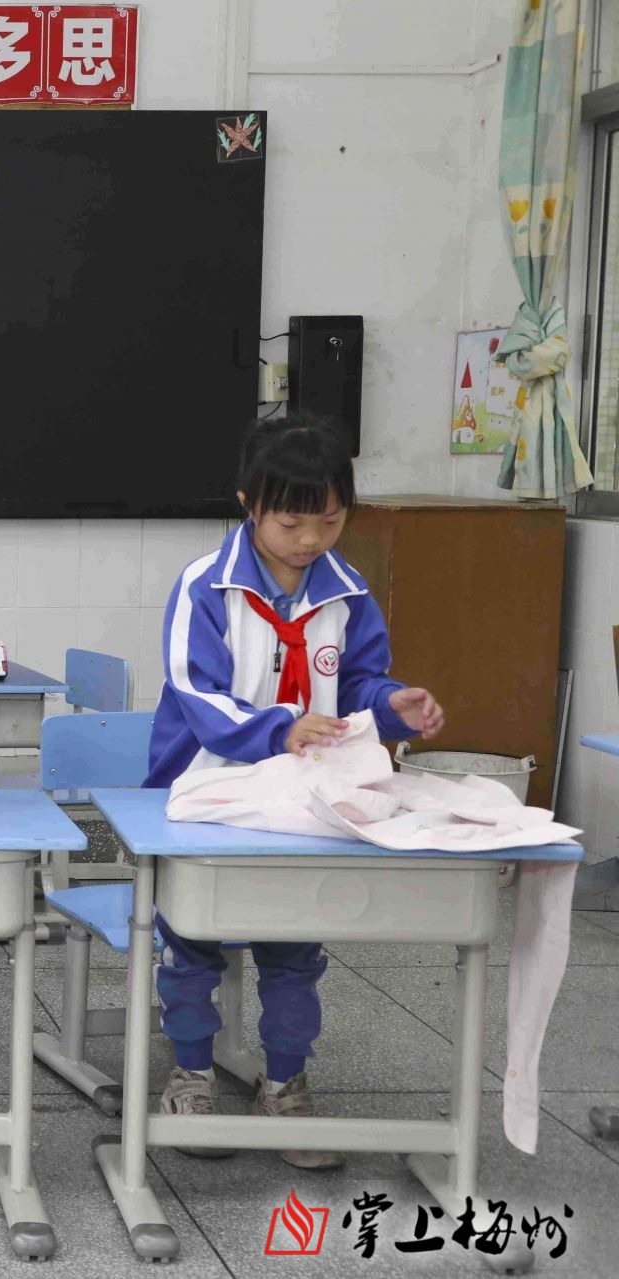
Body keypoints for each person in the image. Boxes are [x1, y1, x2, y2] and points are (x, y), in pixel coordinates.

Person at [147, 411, 447, 1168]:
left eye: (331, 520)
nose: (311, 539)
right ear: (249, 504)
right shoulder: (203, 587)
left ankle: (284, 1084)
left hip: (301, 804)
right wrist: (278, 728)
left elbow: (361, 683)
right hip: (207, 795)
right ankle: (190, 1072)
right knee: (191, 947)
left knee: (294, 947)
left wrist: (393, 703)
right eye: (291, 522)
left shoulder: (348, 593)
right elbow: (197, 694)